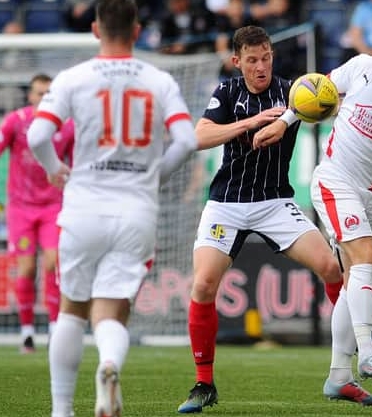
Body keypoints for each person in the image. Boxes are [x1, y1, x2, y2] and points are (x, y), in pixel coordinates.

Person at [254, 17, 372, 406]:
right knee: (366, 257)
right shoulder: (362, 66)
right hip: (333, 179)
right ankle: (368, 351)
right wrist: (286, 122)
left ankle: (339, 377)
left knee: (354, 277)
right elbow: (316, 90)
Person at [26, 0, 198, 416]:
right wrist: (153, 175)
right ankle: (108, 365)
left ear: (94, 29)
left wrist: (55, 170)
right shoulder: (159, 79)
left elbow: (37, 136)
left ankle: (62, 410)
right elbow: (188, 141)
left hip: (84, 203)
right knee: (112, 309)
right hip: (135, 208)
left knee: (71, 307)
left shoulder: (73, 77)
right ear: (138, 31)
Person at [176, 25, 344, 413]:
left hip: (274, 202)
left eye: (266, 57)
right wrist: (249, 123)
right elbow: (199, 137)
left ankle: (346, 366)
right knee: (202, 286)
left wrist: (315, 108)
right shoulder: (227, 92)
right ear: (238, 62)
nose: (261, 65)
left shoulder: (293, 92)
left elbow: (328, 103)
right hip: (226, 203)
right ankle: (204, 384)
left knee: (331, 267)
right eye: (252, 60)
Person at [0, 73, 74, 354]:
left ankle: (55, 330)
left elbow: (76, 163)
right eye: (39, 93)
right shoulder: (15, 122)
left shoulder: (67, 126)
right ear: (30, 96)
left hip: (53, 206)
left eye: (48, 94)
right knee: (27, 268)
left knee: (53, 264)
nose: (43, 98)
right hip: (20, 207)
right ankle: (27, 333)